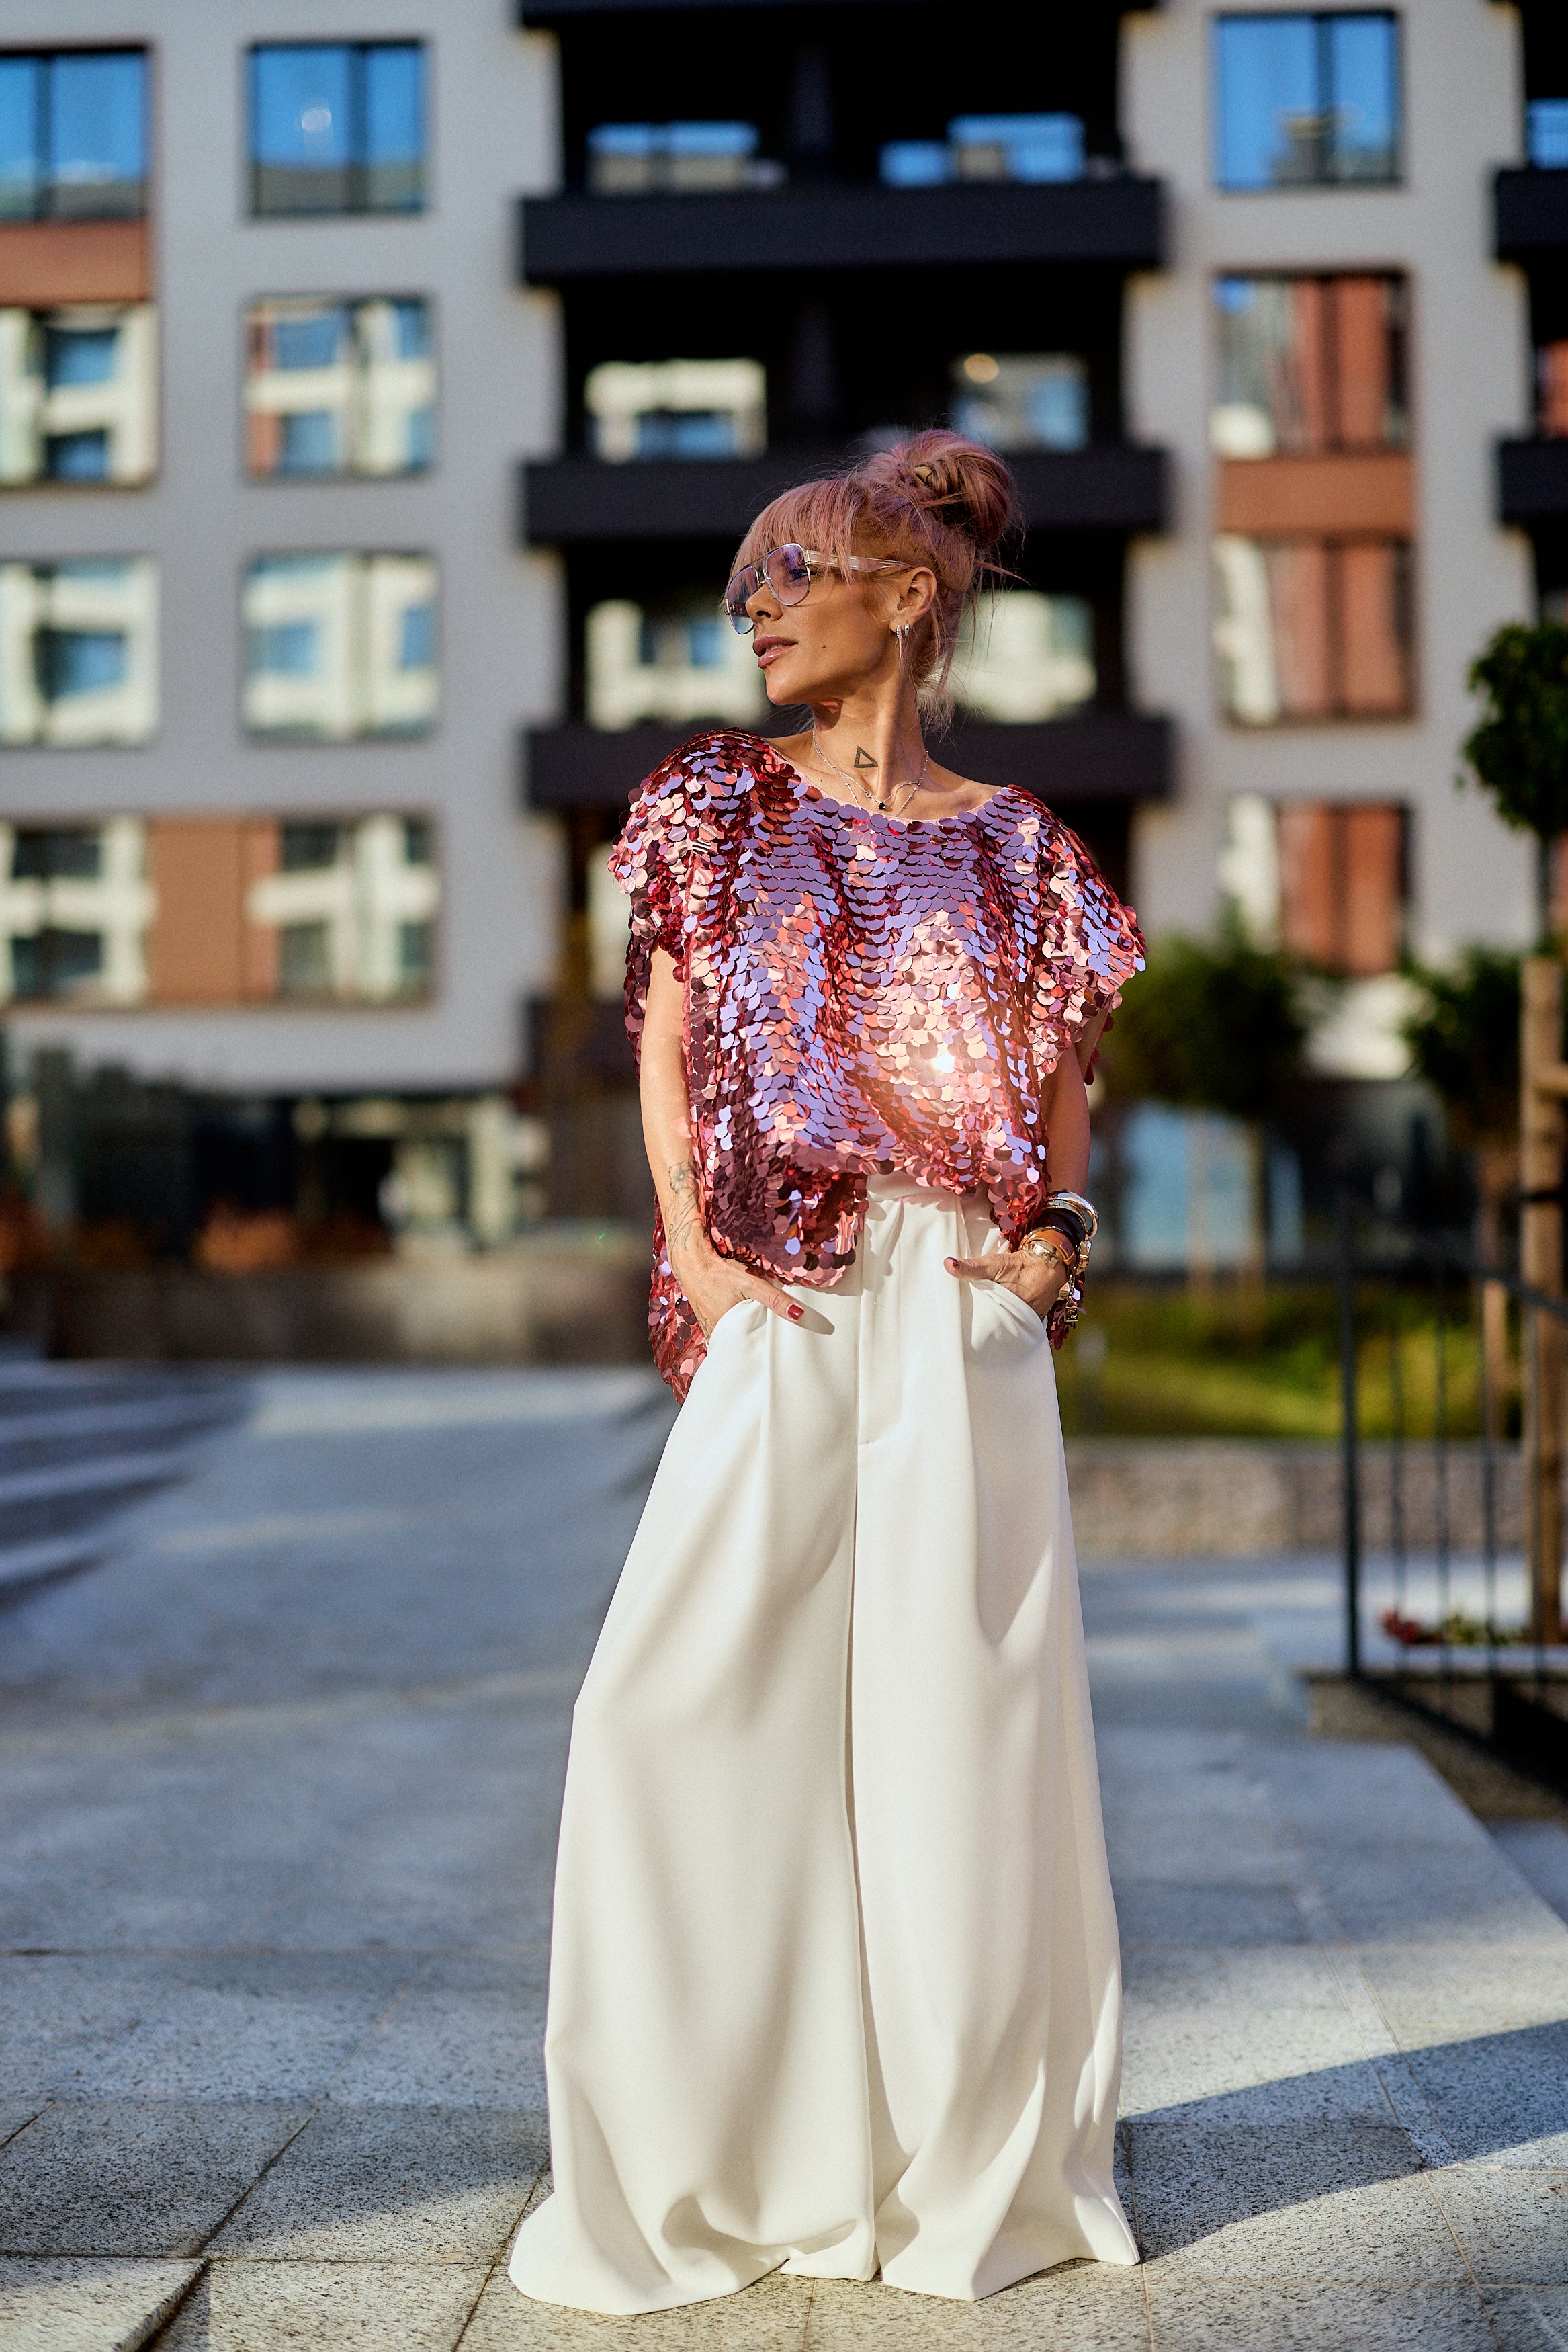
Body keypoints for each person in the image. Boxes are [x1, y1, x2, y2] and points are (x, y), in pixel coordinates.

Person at [509, 430, 1144, 2316]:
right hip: (779, 1292)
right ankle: (717, 2152)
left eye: (797, 573)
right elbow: (665, 1033)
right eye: (751, 581)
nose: (758, 608)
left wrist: (1053, 1247)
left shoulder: (1025, 848)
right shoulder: (711, 805)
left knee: (962, 1755)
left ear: (908, 595)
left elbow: (1057, 1096)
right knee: (666, 1707)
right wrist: (695, 1257)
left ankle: (961, 2165)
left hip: (958, 1300)